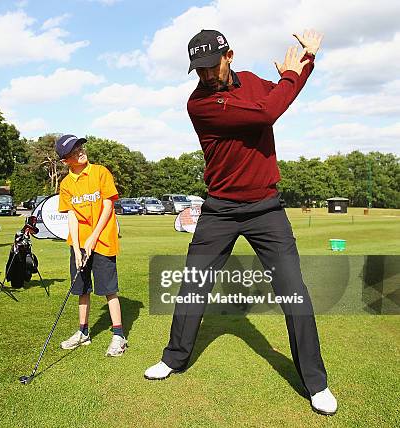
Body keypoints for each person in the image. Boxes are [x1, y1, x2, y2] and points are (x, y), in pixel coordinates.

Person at [143, 30, 338, 416]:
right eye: (197, 70)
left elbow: (279, 96)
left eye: (210, 66)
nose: (205, 75)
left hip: (266, 207)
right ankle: (174, 358)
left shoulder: (251, 82)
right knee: (193, 286)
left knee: (293, 291)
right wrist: (298, 72)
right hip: (220, 209)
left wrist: (299, 69)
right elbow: (269, 111)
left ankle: (316, 384)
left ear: (229, 55)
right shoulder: (200, 104)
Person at [55, 134, 127, 357]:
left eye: (80, 146)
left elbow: (108, 206)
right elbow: (72, 217)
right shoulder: (66, 184)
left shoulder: (100, 172)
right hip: (80, 243)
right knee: (81, 289)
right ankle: (83, 332)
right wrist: (77, 249)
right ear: (66, 160)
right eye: (73, 151)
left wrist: (94, 237)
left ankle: (119, 336)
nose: (80, 151)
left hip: (102, 240)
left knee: (108, 290)